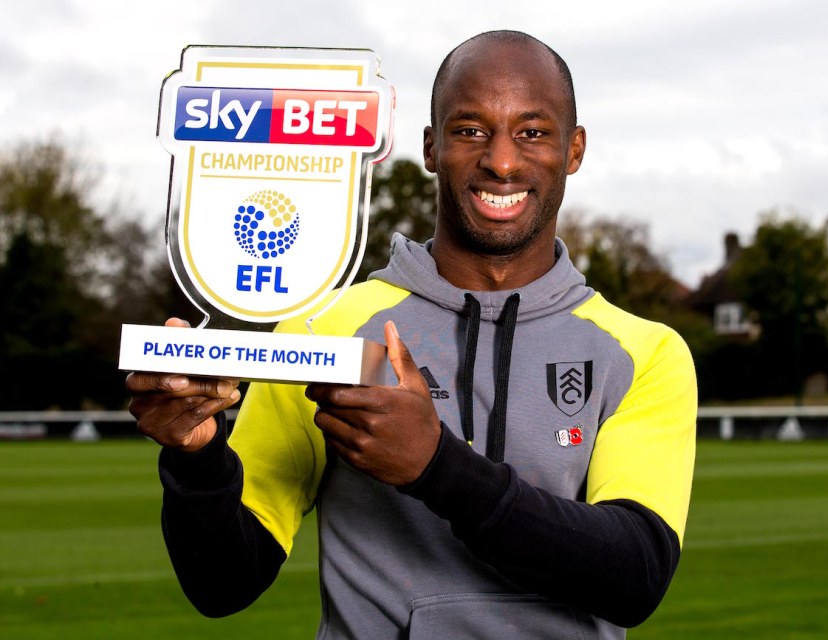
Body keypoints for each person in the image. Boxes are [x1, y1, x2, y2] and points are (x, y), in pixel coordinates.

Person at [127, 30, 697, 639]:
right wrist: (197, 460)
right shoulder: (327, 331)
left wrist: (435, 467)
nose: (501, 162)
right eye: (470, 130)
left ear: (574, 149)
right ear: (431, 147)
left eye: (532, 132)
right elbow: (223, 584)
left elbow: (635, 575)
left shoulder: (643, 352)